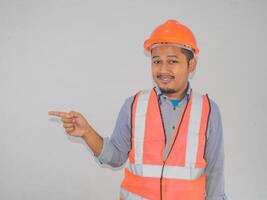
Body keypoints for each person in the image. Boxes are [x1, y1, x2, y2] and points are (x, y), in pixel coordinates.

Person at [49, 19, 227, 200]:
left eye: (172, 61)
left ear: (191, 65)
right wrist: (87, 132)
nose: (163, 69)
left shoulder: (208, 110)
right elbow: (116, 156)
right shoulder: (134, 105)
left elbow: (215, 171)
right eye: (156, 61)